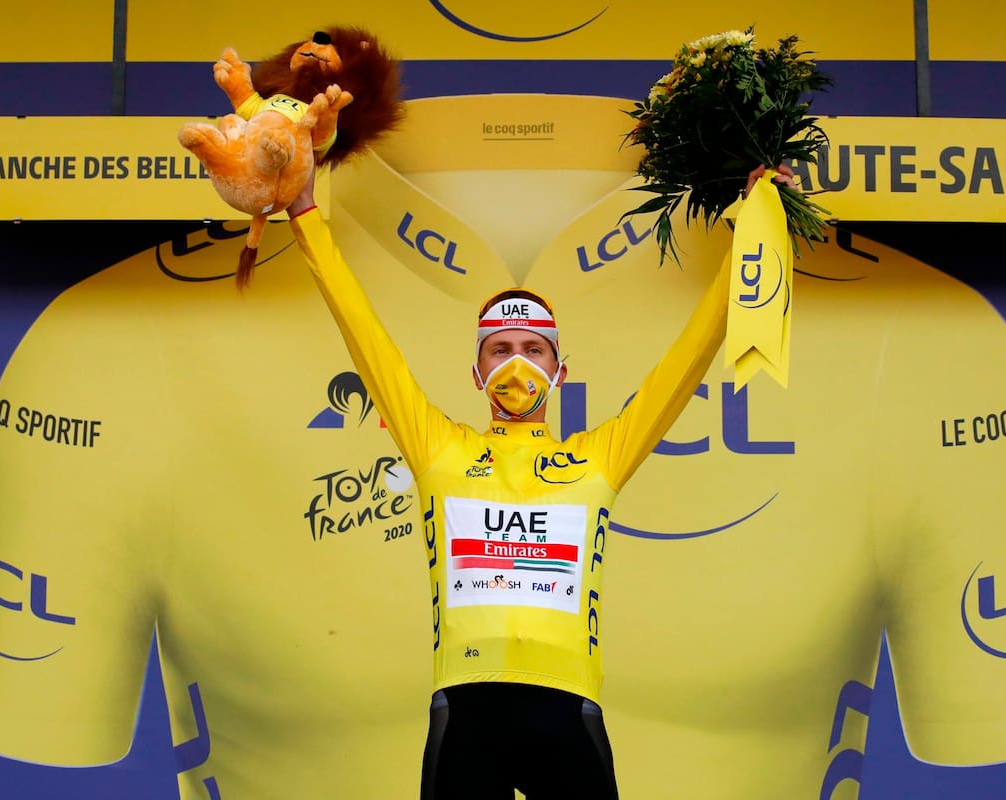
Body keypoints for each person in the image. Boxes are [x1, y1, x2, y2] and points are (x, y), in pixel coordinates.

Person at [284, 154, 794, 799]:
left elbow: (689, 357)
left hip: (568, 707)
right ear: (476, 373)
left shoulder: (599, 457)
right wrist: (304, 213)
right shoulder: (438, 448)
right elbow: (365, 335)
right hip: (466, 706)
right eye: (499, 350)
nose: (515, 364)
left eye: (533, 349)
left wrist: (753, 233)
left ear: (559, 369)